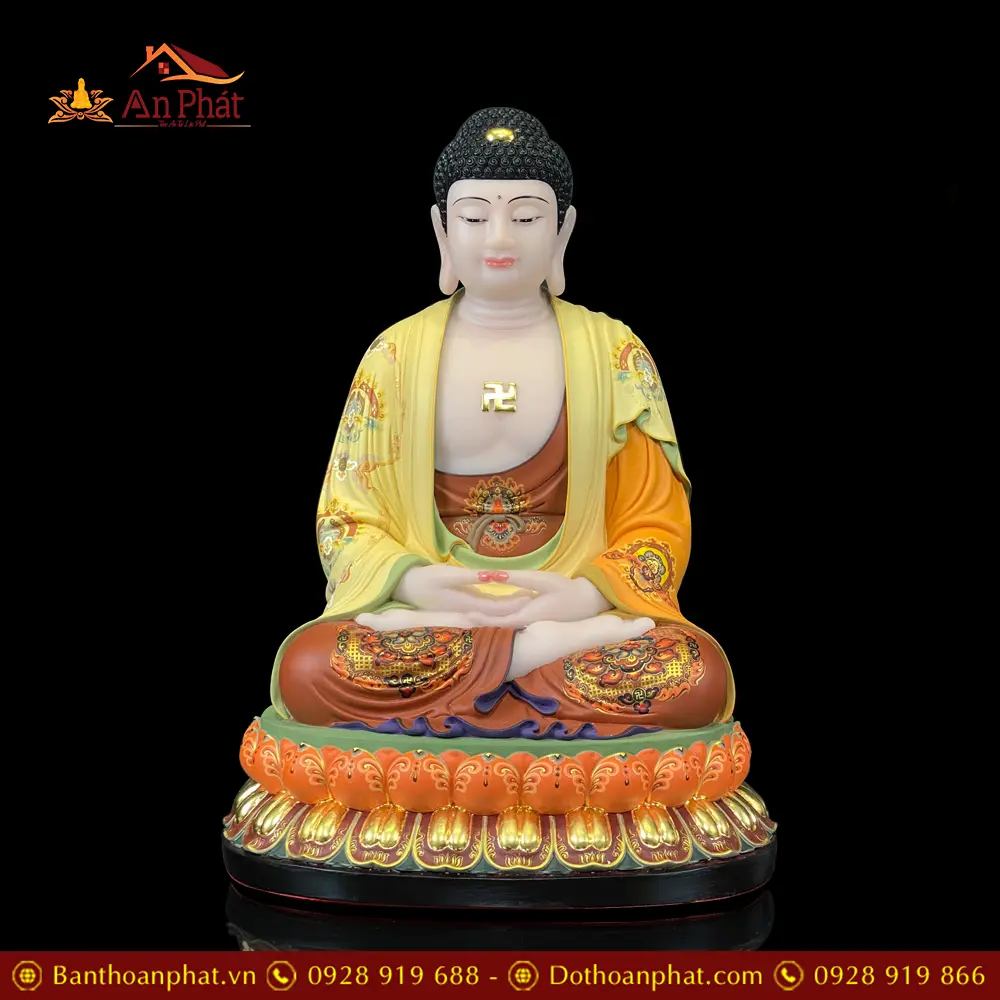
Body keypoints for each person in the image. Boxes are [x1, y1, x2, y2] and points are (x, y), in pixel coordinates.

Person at [272, 108, 734, 738]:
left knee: (696, 675)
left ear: (563, 229)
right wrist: (420, 584)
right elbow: (346, 520)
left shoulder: (614, 352)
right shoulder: (394, 356)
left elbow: (656, 524)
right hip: (438, 610)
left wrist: (585, 596)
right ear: (441, 229)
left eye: (525, 217)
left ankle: (494, 673)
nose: (499, 239)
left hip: (569, 608)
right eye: (473, 217)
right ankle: (526, 660)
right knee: (308, 667)